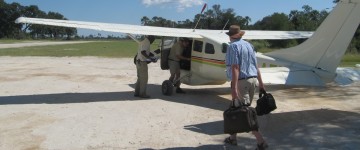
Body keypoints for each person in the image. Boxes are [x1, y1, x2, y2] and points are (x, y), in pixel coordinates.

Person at [224, 25, 268, 150]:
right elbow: (256, 65)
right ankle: (232, 138)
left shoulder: (233, 46)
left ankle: (261, 142)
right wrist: (261, 84)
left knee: (245, 113)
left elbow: (235, 67)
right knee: (236, 108)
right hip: (253, 80)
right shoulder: (249, 45)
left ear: (230, 36)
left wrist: (233, 87)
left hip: (241, 81)